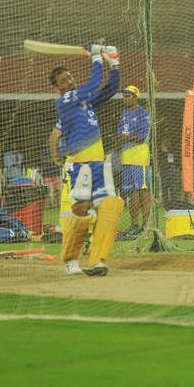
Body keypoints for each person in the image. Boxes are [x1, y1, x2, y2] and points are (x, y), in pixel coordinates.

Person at [50, 43, 122, 276]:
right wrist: (97, 59)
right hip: (79, 163)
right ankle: (71, 259)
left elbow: (109, 90)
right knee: (81, 207)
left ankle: (98, 260)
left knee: (109, 207)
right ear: (56, 88)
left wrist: (114, 64)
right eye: (62, 80)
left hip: (98, 162)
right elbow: (92, 84)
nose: (68, 81)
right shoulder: (66, 100)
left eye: (69, 77)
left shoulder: (84, 101)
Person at [116, 85, 151, 239]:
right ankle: (134, 225)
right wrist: (118, 140)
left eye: (129, 96)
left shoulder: (144, 114)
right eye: (124, 96)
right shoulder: (123, 114)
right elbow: (120, 135)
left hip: (139, 157)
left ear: (136, 98)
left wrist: (127, 137)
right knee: (131, 192)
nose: (125, 99)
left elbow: (144, 136)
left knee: (143, 190)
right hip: (126, 158)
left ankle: (147, 225)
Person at [158, 138, 179, 208]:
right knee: (164, 187)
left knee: (172, 187)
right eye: (167, 141)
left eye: (169, 141)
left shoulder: (171, 151)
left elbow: (173, 160)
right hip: (163, 170)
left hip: (170, 170)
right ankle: (166, 204)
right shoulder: (160, 151)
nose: (169, 143)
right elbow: (159, 160)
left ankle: (174, 203)